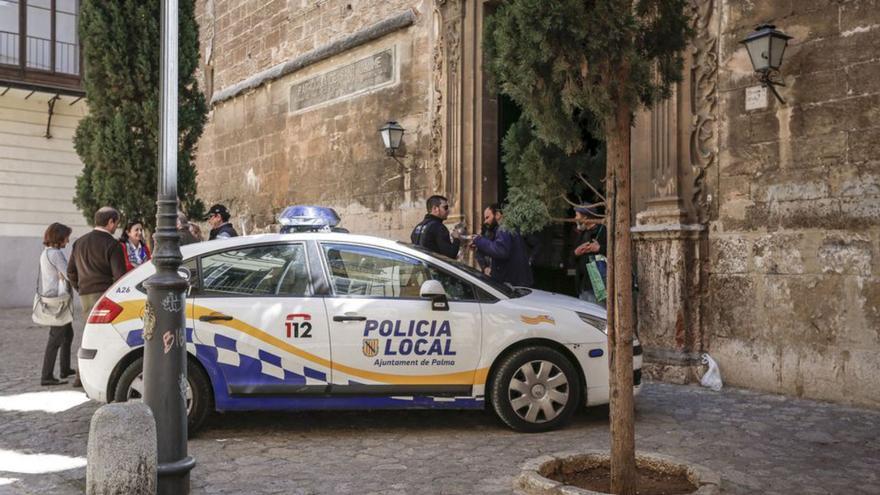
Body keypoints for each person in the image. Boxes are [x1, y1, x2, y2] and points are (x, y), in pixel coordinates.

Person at [67, 207, 127, 387]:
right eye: (116, 223)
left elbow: (71, 271)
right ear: (110, 222)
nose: (116, 226)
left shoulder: (80, 242)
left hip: (85, 294)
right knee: (107, 336)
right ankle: (101, 375)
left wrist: (81, 287)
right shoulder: (113, 244)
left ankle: (81, 375)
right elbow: (120, 277)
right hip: (106, 294)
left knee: (88, 334)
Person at [38, 223, 75, 386]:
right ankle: (46, 376)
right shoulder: (56, 254)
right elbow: (68, 274)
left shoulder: (46, 252)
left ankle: (65, 368)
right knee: (56, 338)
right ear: (59, 237)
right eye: (66, 237)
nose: (67, 240)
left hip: (52, 297)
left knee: (68, 334)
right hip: (58, 300)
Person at [471, 204, 534, 287]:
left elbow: (501, 251)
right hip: (518, 282)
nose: (485, 221)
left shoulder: (504, 228)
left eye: (487, 217)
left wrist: (479, 240)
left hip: (514, 284)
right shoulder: (507, 227)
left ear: (497, 215)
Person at [572, 205, 607, 305]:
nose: (575, 219)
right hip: (582, 285)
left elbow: (614, 253)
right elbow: (572, 258)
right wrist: (576, 252)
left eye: (577, 216)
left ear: (585, 218)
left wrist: (599, 248)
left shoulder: (602, 231)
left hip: (597, 285)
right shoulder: (581, 233)